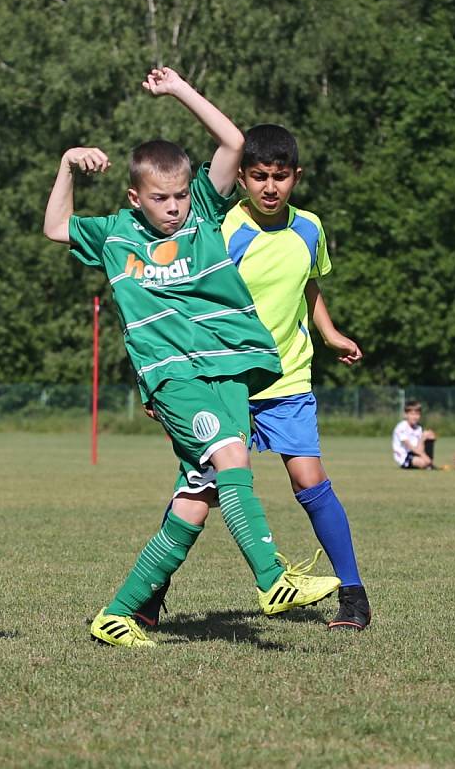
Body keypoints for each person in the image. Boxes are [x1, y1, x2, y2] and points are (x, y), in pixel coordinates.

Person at [43, 67, 340, 648]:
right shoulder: (115, 234)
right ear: (135, 197)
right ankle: (271, 577)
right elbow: (56, 226)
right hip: (174, 376)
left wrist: (179, 90)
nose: (175, 207)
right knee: (233, 458)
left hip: (228, 370)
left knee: (196, 500)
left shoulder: (205, 207)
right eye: (161, 198)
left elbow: (234, 143)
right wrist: (66, 165)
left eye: (180, 195)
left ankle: (116, 614)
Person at [138, 124, 371, 630]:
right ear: (241, 178)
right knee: (200, 487)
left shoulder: (310, 228)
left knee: (309, 478)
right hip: (225, 380)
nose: (270, 187)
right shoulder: (223, 230)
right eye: (260, 176)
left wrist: (329, 334)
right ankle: (149, 599)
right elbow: (187, 297)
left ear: (296, 177)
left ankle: (353, 596)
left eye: (280, 177)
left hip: (288, 375)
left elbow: (309, 286)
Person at [392, 400, 436, 469]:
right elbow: (410, 447)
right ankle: (428, 464)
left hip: (415, 452)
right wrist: (424, 456)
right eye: (412, 414)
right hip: (405, 456)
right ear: (406, 415)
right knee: (423, 463)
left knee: (430, 435)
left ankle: (429, 464)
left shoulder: (418, 428)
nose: (415, 417)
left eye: (417, 414)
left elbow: (419, 447)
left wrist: (423, 438)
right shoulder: (401, 427)